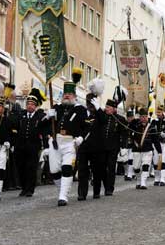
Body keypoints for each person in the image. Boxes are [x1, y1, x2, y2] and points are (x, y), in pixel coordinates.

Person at [47, 71, 87, 206]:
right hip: (56, 141)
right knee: (54, 171)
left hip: (70, 142)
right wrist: (48, 117)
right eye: (65, 94)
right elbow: (44, 125)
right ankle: (61, 191)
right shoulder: (57, 107)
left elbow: (86, 127)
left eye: (69, 94)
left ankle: (63, 196)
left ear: (75, 96)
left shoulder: (80, 110)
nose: (66, 96)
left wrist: (81, 137)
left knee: (66, 168)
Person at [16, 89, 47, 197]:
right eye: (28, 104)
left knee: (31, 168)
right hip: (21, 147)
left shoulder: (39, 116)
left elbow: (44, 128)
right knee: (22, 168)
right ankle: (24, 188)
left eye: (32, 104)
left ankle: (30, 189)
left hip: (33, 147)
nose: (29, 106)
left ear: (36, 106)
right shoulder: (22, 115)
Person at [77, 94, 105, 200]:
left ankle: (96, 191)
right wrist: (79, 137)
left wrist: (98, 109)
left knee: (96, 170)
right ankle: (82, 193)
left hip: (96, 147)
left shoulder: (99, 114)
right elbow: (78, 127)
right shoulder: (83, 114)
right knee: (82, 170)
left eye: (92, 103)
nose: (90, 105)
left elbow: (104, 121)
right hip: (84, 147)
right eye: (88, 102)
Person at [101, 99, 127, 195]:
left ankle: (109, 188)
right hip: (102, 146)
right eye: (106, 107)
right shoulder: (102, 117)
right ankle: (105, 185)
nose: (106, 109)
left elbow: (124, 134)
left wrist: (123, 146)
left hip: (113, 147)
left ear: (113, 109)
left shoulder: (120, 119)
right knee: (103, 167)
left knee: (111, 168)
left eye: (108, 107)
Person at [131, 107, 161, 190]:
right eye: (142, 116)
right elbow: (130, 127)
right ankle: (138, 180)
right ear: (139, 117)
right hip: (137, 149)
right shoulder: (135, 125)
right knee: (136, 168)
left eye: (145, 116)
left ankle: (143, 183)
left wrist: (159, 152)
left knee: (145, 166)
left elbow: (156, 141)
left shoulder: (151, 127)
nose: (144, 118)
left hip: (147, 149)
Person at [152, 105, 165, 187]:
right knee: (155, 162)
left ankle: (162, 179)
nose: (158, 114)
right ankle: (157, 179)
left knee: (163, 162)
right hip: (155, 144)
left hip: (163, 144)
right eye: (157, 112)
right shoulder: (154, 122)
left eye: (160, 112)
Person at [124, 110, 138, 181]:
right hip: (126, 144)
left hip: (133, 144)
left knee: (131, 159)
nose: (129, 118)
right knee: (125, 160)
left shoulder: (135, 123)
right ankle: (129, 173)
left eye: (131, 117)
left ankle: (129, 175)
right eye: (128, 117)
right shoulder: (126, 123)